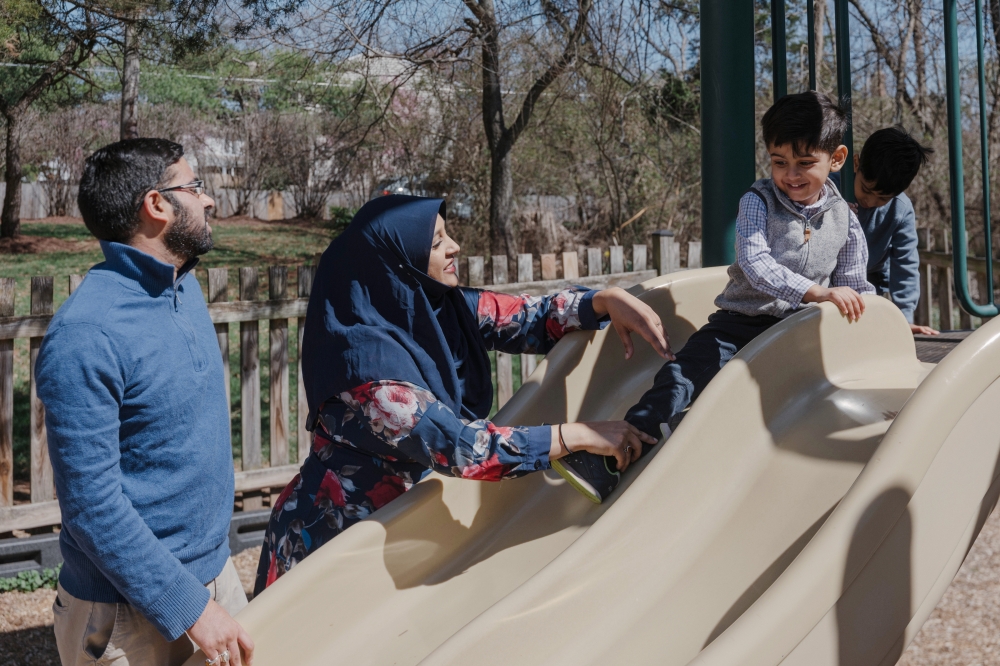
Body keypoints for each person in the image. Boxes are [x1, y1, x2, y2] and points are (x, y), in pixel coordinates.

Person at [254, 195, 668, 594]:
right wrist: (577, 436)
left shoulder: (435, 309)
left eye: (446, 234)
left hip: (403, 532)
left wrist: (603, 300)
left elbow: (527, 318)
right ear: (397, 265)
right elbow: (465, 449)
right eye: (436, 242)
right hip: (328, 541)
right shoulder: (368, 375)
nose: (454, 247)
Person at [35, 139, 254, 666]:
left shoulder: (183, 285)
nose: (208, 201)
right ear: (156, 205)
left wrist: (213, 591)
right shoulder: (87, 333)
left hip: (215, 580)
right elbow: (91, 506)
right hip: (128, 613)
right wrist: (191, 609)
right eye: (195, 186)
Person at [624, 90, 876, 440]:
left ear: (836, 158)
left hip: (803, 330)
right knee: (681, 373)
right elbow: (755, 263)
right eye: (779, 162)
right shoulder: (757, 202)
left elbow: (854, 284)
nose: (791, 175)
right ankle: (629, 436)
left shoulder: (844, 219)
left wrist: (881, 320)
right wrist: (814, 291)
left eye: (804, 163)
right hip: (740, 323)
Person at [844, 126, 935, 335]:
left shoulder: (900, 209)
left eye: (883, 198)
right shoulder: (828, 189)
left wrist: (903, 318)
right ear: (856, 164)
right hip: (825, 282)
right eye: (866, 189)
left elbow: (906, 263)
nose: (871, 201)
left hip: (869, 282)